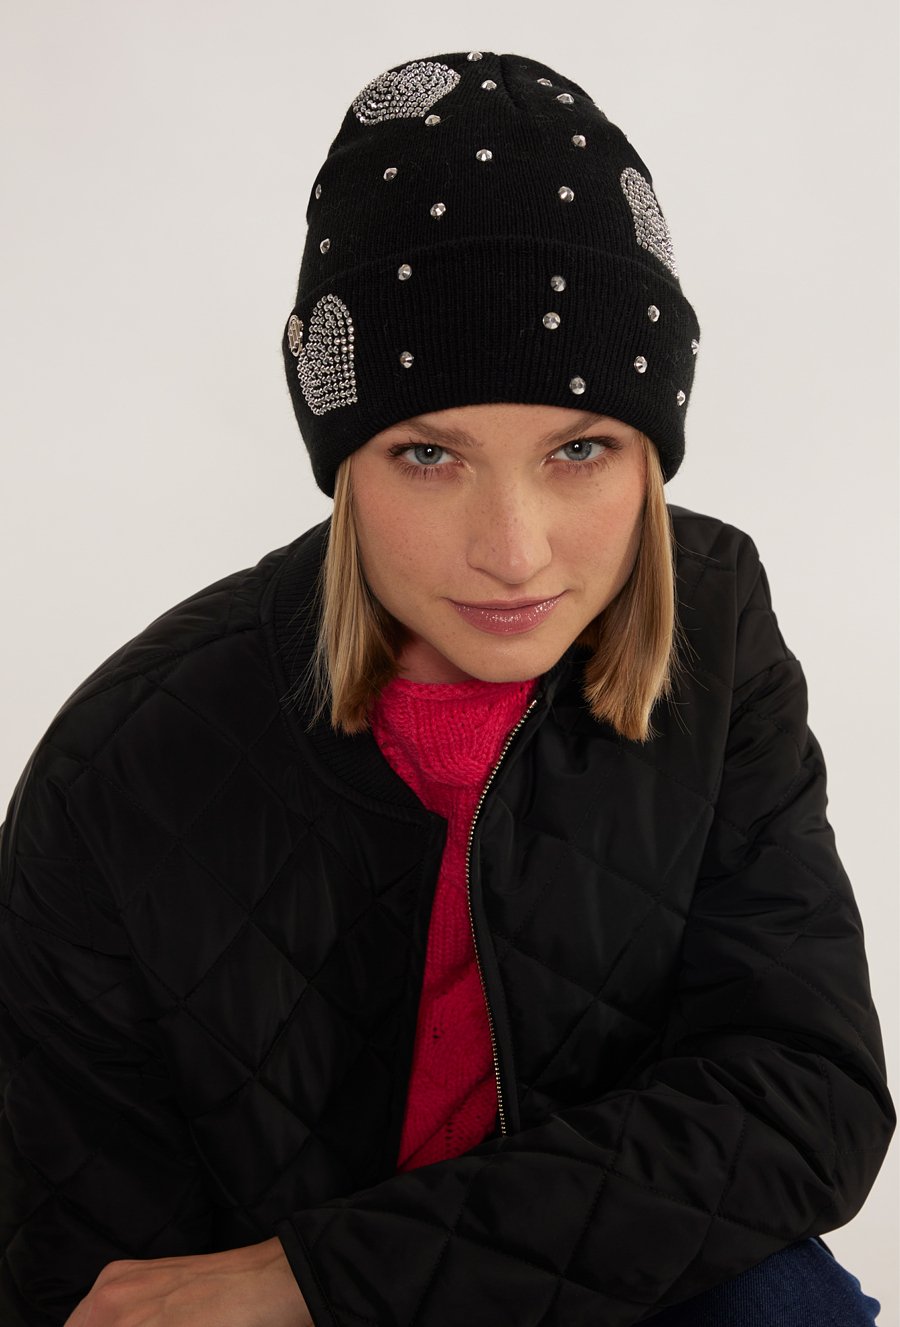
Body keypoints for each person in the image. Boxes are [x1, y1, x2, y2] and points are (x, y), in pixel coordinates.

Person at [0, 48, 893, 1327]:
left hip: (587, 1282)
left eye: (581, 448)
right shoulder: (124, 773)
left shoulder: (713, 624)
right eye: (429, 455)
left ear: (651, 455)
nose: (515, 551)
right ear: (342, 458)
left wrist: (316, 1278)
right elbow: (104, 1288)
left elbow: (806, 1096)